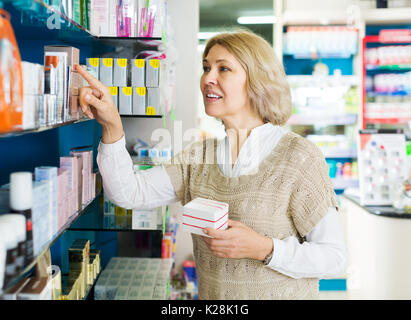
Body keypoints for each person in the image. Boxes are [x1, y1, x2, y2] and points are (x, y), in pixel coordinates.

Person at [75, 30, 347, 300]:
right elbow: (129, 193)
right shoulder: (199, 157)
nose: (208, 78)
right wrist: (112, 126)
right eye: (206, 67)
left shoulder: (298, 157)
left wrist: (265, 248)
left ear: (258, 82)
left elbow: (334, 258)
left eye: (223, 68)